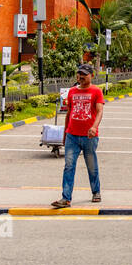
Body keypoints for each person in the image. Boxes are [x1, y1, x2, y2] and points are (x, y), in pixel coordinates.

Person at [52, 63, 105, 208]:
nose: (81, 77)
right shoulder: (72, 92)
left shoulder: (96, 91)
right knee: (69, 166)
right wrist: (64, 133)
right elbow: (69, 113)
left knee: (91, 165)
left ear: (91, 76)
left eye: (84, 74)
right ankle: (66, 198)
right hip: (72, 135)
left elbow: (100, 111)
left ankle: (96, 191)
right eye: (79, 74)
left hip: (89, 136)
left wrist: (94, 127)